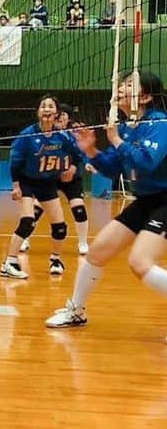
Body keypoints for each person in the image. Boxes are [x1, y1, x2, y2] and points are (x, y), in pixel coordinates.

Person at [46, 71, 167, 329]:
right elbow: (113, 169)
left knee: (139, 262)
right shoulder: (126, 127)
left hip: (165, 201)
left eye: (129, 85)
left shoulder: (160, 123)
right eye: (121, 84)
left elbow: (146, 162)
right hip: (146, 200)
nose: (121, 89)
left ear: (145, 97)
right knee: (97, 252)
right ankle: (76, 311)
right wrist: (91, 150)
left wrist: (116, 140)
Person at [0, 96, 83, 280]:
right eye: (43, 106)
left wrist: (73, 167)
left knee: (60, 227)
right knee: (28, 220)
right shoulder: (28, 135)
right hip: (26, 180)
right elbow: (15, 163)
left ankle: (55, 260)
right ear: (38, 112)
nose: (46, 109)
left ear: (57, 114)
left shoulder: (63, 137)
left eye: (50, 106)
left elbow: (78, 154)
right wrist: (15, 186)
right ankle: (9, 262)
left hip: (47, 183)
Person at [20, 103, 91, 256]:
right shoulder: (45, 134)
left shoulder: (72, 135)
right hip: (50, 177)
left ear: (68, 119)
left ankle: (83, 242)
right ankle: (25, 239)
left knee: (78, 208)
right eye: (58, 115)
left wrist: (81, 165)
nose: (60, 118)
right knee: (36, 208)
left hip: (71, 178)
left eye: (63, 115)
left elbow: (81, 153)